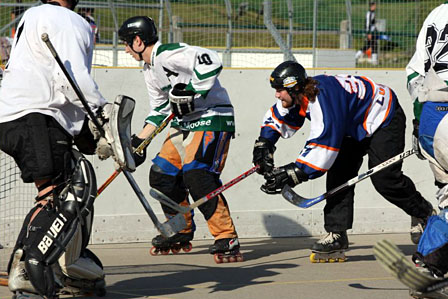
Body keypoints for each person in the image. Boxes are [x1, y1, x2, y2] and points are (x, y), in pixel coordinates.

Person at [0, 0, 134, 297]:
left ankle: (52, 268)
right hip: (36, 115)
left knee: (50, 192)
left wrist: (87, 134)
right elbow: (72, 80)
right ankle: (33, 269)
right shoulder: (69, 18)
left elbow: (56, 79)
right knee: (70, 191)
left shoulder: (33, 15)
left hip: (17, 116)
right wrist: (101, 115)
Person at [252, 61, 434, 262]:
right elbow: (278, 117)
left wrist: (293, 172)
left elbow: (323, 144)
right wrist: (265, 144)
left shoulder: (323, 100)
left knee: (385, 178)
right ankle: (336, 234)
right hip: (351, 122)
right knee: (339, 175)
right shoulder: (298, 94)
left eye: (279, 90)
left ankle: (424, 213)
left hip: (383, 117)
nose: (277, 95)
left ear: (295, 88)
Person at [118, 16, 242, 263]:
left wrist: (192, 90)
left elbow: (211, 60)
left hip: (212, 116)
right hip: (184, 122)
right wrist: (139, 142)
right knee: (161, 175)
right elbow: (160, 109)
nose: (126, 49)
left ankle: (226, 236)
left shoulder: (167, 54)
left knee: (197, 175)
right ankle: (179, 229)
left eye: (127, 43)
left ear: (139, 41)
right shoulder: (149, 70)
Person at [405, 2, 448, 297]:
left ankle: (429, 269)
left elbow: (414, 72)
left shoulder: (438, 12)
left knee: (447, 197)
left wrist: (420, 121)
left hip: (432, 115)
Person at [355, 1, 378, 65]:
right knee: (371, 45)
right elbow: (367, 24)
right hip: (369, 32)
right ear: (371, 6)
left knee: (371, 45)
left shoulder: (373, 13)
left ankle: (374, 60)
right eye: (374, 5)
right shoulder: (369, 13)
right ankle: (356, 56)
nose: (375, 7)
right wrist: (368, 33)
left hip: (372, 32)